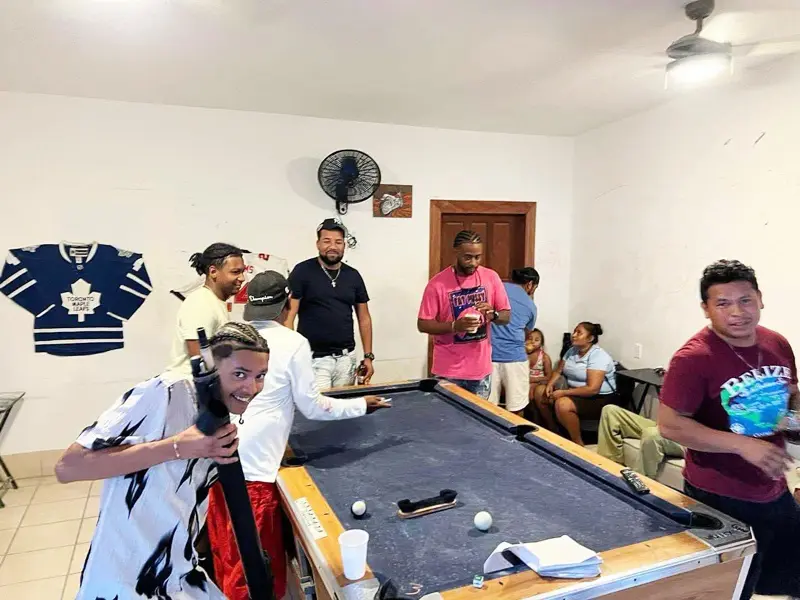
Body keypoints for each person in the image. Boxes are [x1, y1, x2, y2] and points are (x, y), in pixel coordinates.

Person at [206, 271, 390, 600]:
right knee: (255, 574)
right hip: (255, 475)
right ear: (286, 306)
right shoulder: (292, 343)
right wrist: (361, 405)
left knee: (229, 559)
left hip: (220, 460)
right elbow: (314, 407)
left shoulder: (228, 336)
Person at [54, 322, 270, 600]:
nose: (251, 387)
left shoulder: (216, 412)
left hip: (178, 574)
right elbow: (68, 467)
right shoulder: (164, 392)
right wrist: (178, 447)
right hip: (124, 580)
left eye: (260, 376)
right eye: (239, 374)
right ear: (212, 367)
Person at [657, 260, 800, 600]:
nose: (737, 312)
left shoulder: (776, 343)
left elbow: (790, 392)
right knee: (731, 587)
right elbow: (670, 424)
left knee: (790, 575)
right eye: (723, 303)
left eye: (745, 300)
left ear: (760, 299)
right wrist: (741, 445)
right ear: (706, 309)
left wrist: (793, 421)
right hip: (719, 493)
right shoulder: (693, 358)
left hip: (772, 485)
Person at [417, 230, 511, 399]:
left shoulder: (491, 277)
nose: (473, 262)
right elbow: (423, 324)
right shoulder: (437, 284)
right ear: (456, 252)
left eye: (478, 257)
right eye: (467, 257)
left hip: (481, 371)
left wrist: (493, 315)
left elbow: (506, 316)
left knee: (479, 422)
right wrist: (455, 326)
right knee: (448, 423)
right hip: (448, 371)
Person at [285, 219, 375, 390]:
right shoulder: (302, 272)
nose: (332, 246)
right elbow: (289, 316)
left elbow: (364, 318)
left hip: (346, 359)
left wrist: (368, 356)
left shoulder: (353, 276)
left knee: (343, 411)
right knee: (318, 411)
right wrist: (291, 355)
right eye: (327, 241)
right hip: (313, 359)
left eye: (338, 242)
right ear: (318, 244)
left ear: (344, 245)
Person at [167, 243, 246, 375]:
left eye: (242, 271)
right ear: (213, 272)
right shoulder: (201, 303)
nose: (242, 278)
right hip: (191, 389)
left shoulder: (214, 301)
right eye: (235, 272)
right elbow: (200, 361)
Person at [534, 322, 619, 445]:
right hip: (575, 392)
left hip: (599, 398)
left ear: (590, 338)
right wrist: (549, 385)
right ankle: (554, 431)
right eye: (574, 332)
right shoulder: (571, 351)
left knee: (562, 404)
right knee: (540, 392)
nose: (573, 335)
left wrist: (563, 392)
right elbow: (558, 370)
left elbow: (592, 389)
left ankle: (578, 443)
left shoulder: (598, 356)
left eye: (579, 333)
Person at [487, 267, 540, 415]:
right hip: (515, 358)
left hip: (488, 356)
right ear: (530, 284)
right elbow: (527, 333)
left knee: (487, 407)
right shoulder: (530, 306)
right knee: (517, 408)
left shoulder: (496, 289)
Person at [597, 404, 685, 479]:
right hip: (667, 425)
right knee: (610, 411)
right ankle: (608, 470)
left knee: (652, 435)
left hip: (689, 439)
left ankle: (640, 483)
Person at [526, 329, 552, 419]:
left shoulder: (544, 357)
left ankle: (540, 421)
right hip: (525, 382)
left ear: (541, 343)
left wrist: (534, 380)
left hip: (539, 383)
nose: (532, 342)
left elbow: (549, 376)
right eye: (530, 339)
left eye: (536, 340)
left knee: (534, 394)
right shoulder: (521, 355)